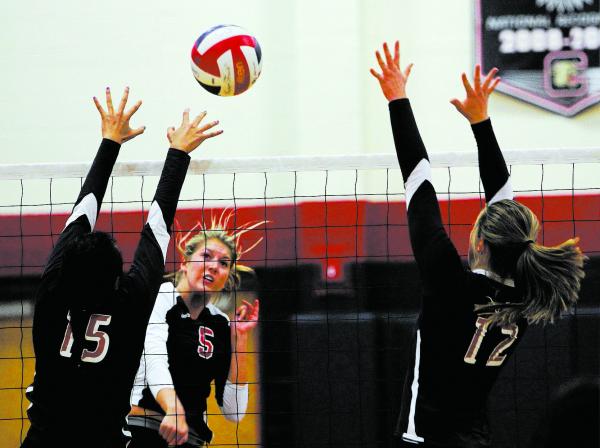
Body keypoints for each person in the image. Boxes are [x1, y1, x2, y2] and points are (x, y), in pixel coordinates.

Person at [370, 42, 586, 448]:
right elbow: (432, 186)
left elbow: (420, 181)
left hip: (422, 439)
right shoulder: (522, 297)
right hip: (474, 439)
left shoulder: (450, 283)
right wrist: (480, 122)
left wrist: (399, 99)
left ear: (482, 240)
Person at [21, 87, 222, 448]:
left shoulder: (52, 294)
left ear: (64, 269)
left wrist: (110, 142)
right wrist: (176, 153)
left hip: (44, 438)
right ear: (117, 279)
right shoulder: (129, 304)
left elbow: (80, 215)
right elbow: (156, 230)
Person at [126, 212, 263, 447]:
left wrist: (240, 339)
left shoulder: (220, 324)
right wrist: (174, 409)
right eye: (206, 256)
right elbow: (155, 361)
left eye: (223, 263)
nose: (213, 266)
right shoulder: (160, 299)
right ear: (185, 262)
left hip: (190, 439)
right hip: (142, 429)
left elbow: (235, 411)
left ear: (228, 276)